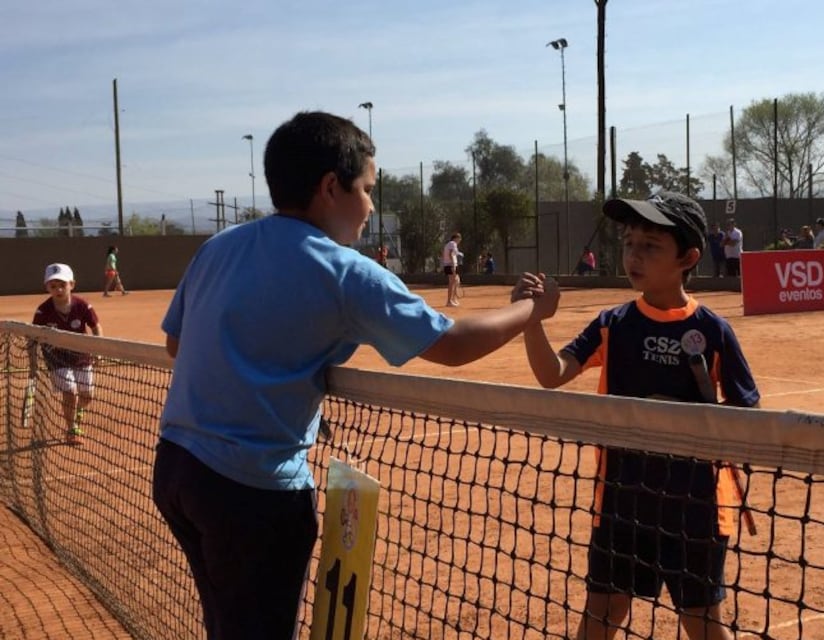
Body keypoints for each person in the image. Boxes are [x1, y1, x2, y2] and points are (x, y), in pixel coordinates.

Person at [152, 111, 559, 640]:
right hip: (251, 492)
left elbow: (176, 344)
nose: (370, 206)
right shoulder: (346, 271)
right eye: (366, 189)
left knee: (228, 623)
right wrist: (533, 310)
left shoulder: (218, 247)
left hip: (178, 470)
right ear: (330, 188)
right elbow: (453, 345)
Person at [520, 191, 759, 640]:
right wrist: (532, 320)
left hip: (694, 508)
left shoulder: (712, 330)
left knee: (702, 622)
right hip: (621, 501)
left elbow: (747, 410)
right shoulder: (613, 323)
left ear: (687, 257)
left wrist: (684, 421)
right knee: (603, 612)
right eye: (630, 242)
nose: (634, 254)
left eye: (650, 245)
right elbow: (552, 375)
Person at [32, 263, 103, 445]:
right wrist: (33, 364)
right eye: (53, 286)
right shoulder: (42, 311)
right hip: (55, 357)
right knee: (69, 392)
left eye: (62, 284)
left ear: (72, 284)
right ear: (47, 287)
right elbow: (33, 337)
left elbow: (96, 327)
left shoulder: (83, 306)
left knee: (87, 395)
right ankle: (71, 429)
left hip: (81, 354)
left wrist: (98, 349)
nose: (58, 289)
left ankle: (79, 411)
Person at [442, 232, 464, 306]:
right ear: (455, 238)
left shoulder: (451, 244)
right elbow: (450, 253)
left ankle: (453, 299)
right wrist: (452, 265)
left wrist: (459, 254)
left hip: (451, 264)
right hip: (450, 265)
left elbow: (454, 253)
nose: (460, 240)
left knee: (456, 280)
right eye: (459, 238)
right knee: (451, 283)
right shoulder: (452, 243)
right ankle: (449, 301)